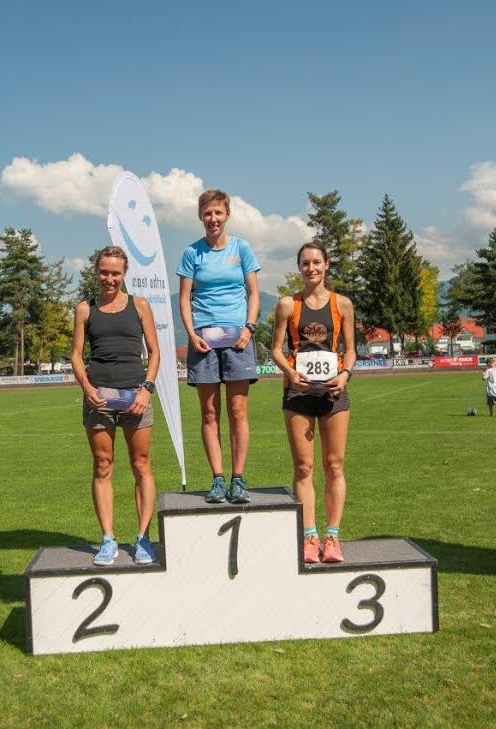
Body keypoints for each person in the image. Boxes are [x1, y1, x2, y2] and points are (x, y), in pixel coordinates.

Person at [70, 246, 160, 567]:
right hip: (99, 398)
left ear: (124, 274)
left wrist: (146, 390)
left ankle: (143, 538)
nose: (109, 279)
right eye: (104, 272)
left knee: (141, 465)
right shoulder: (85, 309)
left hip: (136, 396)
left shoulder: (140, 306)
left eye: (115, 273)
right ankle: (107, 539)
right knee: (103, 465)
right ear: (96, 272)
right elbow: (76, 355)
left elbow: (155, 352)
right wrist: (87, 388)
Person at [270, 242, 356, 563]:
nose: (311, 268)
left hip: (333, 392)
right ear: (299, 267)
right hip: (298, 394)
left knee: (334, 465)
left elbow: (350, 350)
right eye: (305, 263)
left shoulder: (342, 304)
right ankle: (309, 536)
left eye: (317, 262)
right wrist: (291, 373)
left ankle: (332, 537)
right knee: (303, 467)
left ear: (327, 264)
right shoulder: (287, 305)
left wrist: (345, 375)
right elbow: (276, 350)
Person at [177, 189, 261, 504]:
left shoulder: (242, 248)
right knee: (209, 412)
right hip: (203, 340)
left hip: (239, 339)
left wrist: (249, 328)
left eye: (218, 213)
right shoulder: (191, 253)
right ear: (201, 216)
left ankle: (238, 480)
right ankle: (217, 479)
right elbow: (184, 299)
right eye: (207, 213)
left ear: (227, 215)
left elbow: (254, 293)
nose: (213, 218)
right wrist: (191, 334)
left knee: (238, 411)